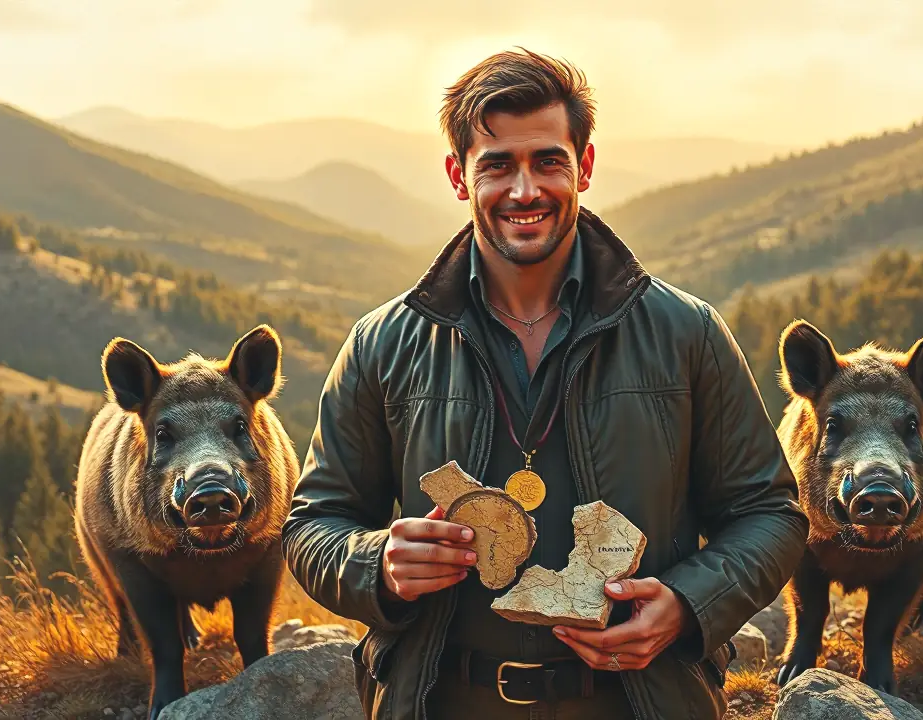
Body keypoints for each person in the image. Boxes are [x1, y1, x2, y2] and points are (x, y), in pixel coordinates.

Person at [282, 48, 809, 720]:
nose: (524, 190)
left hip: (640, 704)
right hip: (440, 704)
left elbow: (770, 513)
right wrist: (377, 563)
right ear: (459, 176)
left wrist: (686, 605)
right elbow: (313, 525)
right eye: (497, 165)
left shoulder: (688, 333)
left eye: (548, 162)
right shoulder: (381, 344)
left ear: (584, 166)